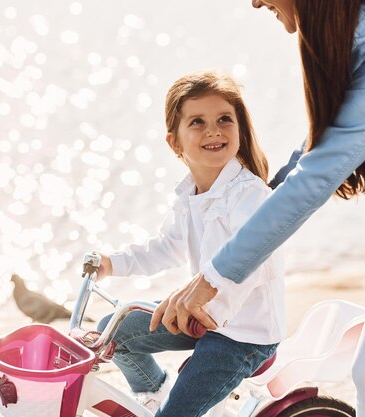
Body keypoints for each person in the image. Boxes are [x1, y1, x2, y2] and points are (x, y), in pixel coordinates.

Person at [150, 1, 365, 416]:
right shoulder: (362, 32)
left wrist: (214, 275)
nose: (255, 2)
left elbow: (317, 178)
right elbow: (315, 152)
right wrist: (242, 211)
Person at [95, 70, 285, 417]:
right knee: (111, 332)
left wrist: (199, 310)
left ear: (240, 129)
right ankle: (155, 391)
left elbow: (252, 267)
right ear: (175, 142)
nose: (214, 130)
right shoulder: (189, 195)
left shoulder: (250, 196)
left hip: (243, 335)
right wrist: (112, 263)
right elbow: (166, 247)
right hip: (200, 316)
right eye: (197, 122)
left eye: (225, 119)